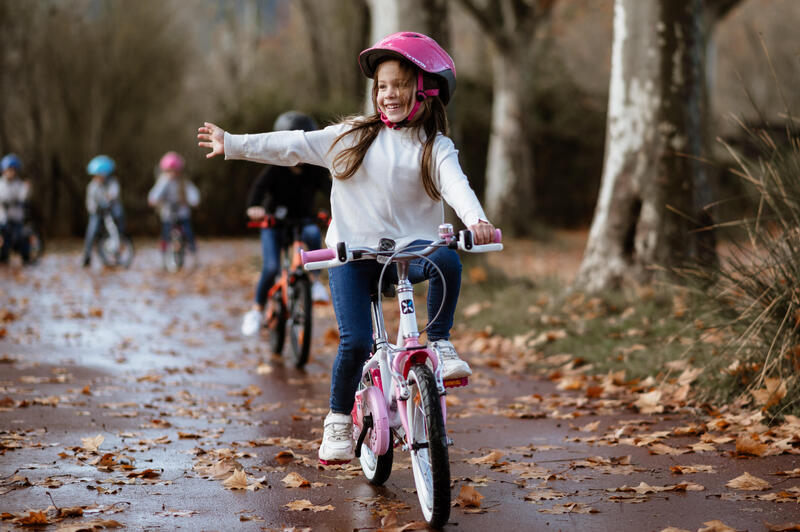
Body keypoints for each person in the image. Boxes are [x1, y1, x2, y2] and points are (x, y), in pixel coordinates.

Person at [199, 32, 496, 464]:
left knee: (446, 259)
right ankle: (338, 419)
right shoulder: (352, 137)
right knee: (355, 343)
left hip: (410, 254)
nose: (388, 94)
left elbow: (457, 186)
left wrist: (476, 221)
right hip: (351, 256)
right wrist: (235, 144)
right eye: (382, 86)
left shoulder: (435, 147)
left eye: (398, 84)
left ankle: (441, 342)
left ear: (425, 90)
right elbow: (292, 144)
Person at [241, 111, 332, 336]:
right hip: (275, 224)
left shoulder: (315, 171)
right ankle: (256, 310)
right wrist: (255, 208)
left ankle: (313, 282)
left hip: (303, 222)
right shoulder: (275, 169)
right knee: (271, 268)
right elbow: (258, 191)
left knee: (312, 235)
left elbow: (333, 193)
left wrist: (337, 211)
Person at [147, 151, 201, 266]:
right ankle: (163, 256)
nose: (172, 173)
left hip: (182, 213)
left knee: (188, 232)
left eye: (174, 171)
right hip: (168, 214)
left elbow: (193, 194)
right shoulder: (163, 181)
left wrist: (194, 201)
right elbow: (155, 194)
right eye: (169, 171)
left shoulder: (184, 182)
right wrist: (153, 200)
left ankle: (193, 253)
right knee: (165, 234)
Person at [82, 155, 125, 267]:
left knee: (118, 228)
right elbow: (90, 202)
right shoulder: (92, 186)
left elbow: (114, 193)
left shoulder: (112, 182)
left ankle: (118, 252)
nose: (98, 177)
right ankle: (87, 255)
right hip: (97, 213)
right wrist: (94, 208)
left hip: (111, 211)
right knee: (91, 231)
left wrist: (110, 197)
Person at [0, 154, 32, 264]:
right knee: (4, 238)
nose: (11, 173)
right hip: (4, 218)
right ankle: (3, 257)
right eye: (9, 170)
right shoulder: (1, 184)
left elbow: (23, 197)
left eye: (13, 170)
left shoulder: (19, 184)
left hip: (16, 217)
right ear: (4, 170)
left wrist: (26, 189)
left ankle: (26, 256)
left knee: (21, 236)